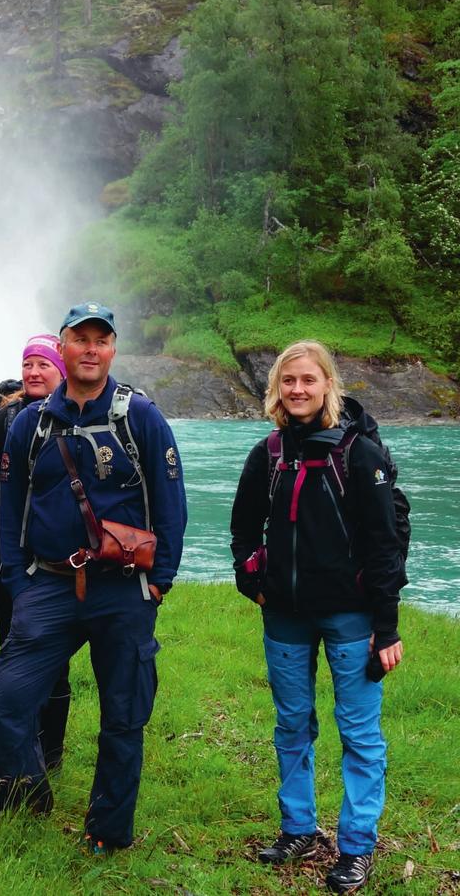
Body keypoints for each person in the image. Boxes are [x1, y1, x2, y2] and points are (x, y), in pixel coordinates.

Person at [0, 302, 187, 854]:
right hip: (48, 584)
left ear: (113, 349)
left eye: (102, 340)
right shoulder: (30, 422)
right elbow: (10, 506)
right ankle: (28, 795)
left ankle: (107, 831)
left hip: (122, 587)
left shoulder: (139, 416)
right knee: (7, 700)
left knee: (122, 716)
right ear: (64, 347)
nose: (91, 349)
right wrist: (19, 582)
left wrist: (160, 578)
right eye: (80, 339)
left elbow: (170, 501)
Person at [230, 340, 406, 893]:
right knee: (292, 725)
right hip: (284, 613)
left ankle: (357, 846)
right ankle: (298, 828)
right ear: (276, 389)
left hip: (352, 617)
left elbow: (384, 545)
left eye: (308, 379)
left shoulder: (362, 455)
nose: (298, 390)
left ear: (329, 383)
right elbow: (242, 527)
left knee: (358, 731)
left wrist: (388, 626)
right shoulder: (269, 452)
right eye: (288, 381)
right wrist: (251, 578)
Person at [0, 333, 71, 769]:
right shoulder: (2, 423)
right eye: (27, 364)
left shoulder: (80, 418)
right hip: (11, 569)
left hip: (64, 569)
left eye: (43, 364)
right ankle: (19, 750)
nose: (32, 372)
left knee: (57, 662)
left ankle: (52, 752)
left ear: (61, 368)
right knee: (17, 661)